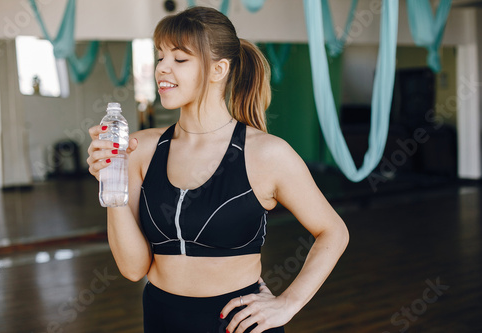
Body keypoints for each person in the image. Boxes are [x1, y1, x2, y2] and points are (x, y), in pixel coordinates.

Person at [87, 6, 349, 333]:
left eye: (179, 59)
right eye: (160, 57)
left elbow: (333, 231)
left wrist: (288, 303)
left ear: (218, 69)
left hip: (236, 324)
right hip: (161, 317)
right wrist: (111, 185)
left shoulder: (267, 154)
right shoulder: (140, 150)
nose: (162, 69)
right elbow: (132, 268)